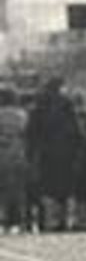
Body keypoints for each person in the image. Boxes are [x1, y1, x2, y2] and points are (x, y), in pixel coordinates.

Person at [27, 78, 85, 231]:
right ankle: (65, 220)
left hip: (46, 153)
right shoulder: (67, 105)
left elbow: (32, 132)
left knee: (47, 187)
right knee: (65, 188)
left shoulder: (39, 106)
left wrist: (32, 152)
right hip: (67, 153)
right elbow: (77, 132)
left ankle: (49, 220)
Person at [0, 86, 29, 233]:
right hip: (19, 153)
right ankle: (22, 221)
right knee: (19, 190)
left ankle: (4, 221)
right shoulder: (22, 115)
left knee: (3, 190)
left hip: (2, 154)